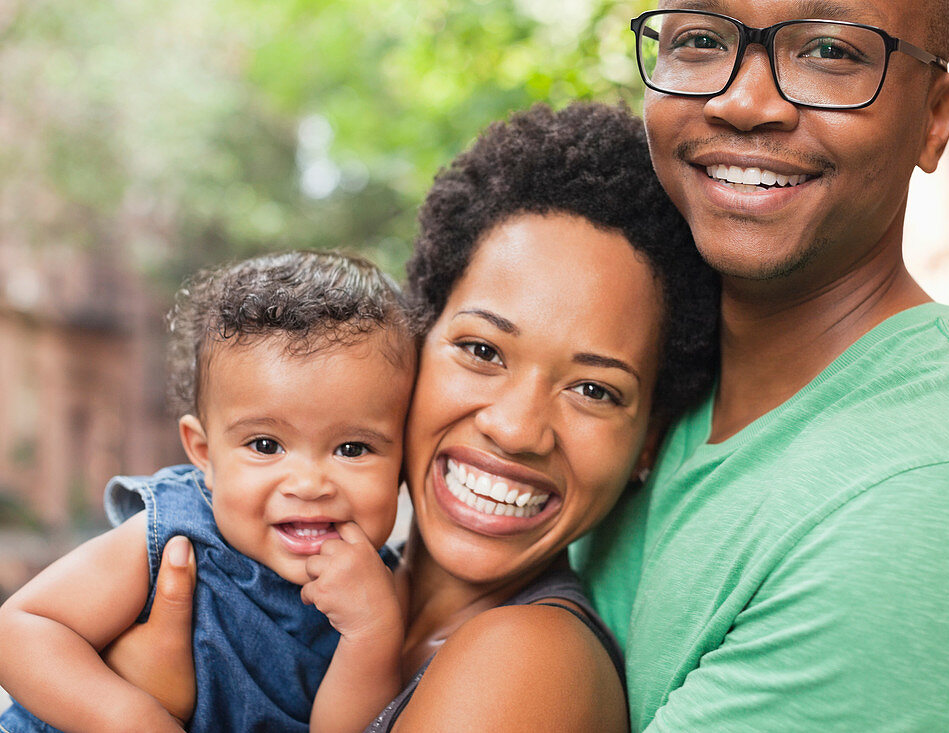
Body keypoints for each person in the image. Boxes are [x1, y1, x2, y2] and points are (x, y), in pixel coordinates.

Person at [51, 103, 721, 731]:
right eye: (482, 349)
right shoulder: (299, 578)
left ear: (647, 442)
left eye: (595, 390)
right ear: (414, 354)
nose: (515, 428)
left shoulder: (528, 656)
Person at [570, 1, 949, 730]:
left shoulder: (939, 504)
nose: (743, 101)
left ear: (935, 118)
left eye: (830, 53)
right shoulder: (647, 371)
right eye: (702, 40)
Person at [0, 251, 417, 732]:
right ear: (203, 454)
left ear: (403, 461)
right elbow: (21, 628)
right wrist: (130, 717)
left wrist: (370, 635)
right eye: (266, 445)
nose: (308, 485)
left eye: (352, 448)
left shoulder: (382, 590)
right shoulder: (179, 534)